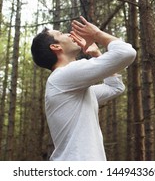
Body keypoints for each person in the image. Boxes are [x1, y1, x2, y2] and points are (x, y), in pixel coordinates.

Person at [31, 16, 136, 161]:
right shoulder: (62, 76)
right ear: (56, 47)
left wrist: (96, 54)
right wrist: (97, 34)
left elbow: (115, 87)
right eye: (61, 34)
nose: (69, 34)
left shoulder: (75, 89)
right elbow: (126, 53)